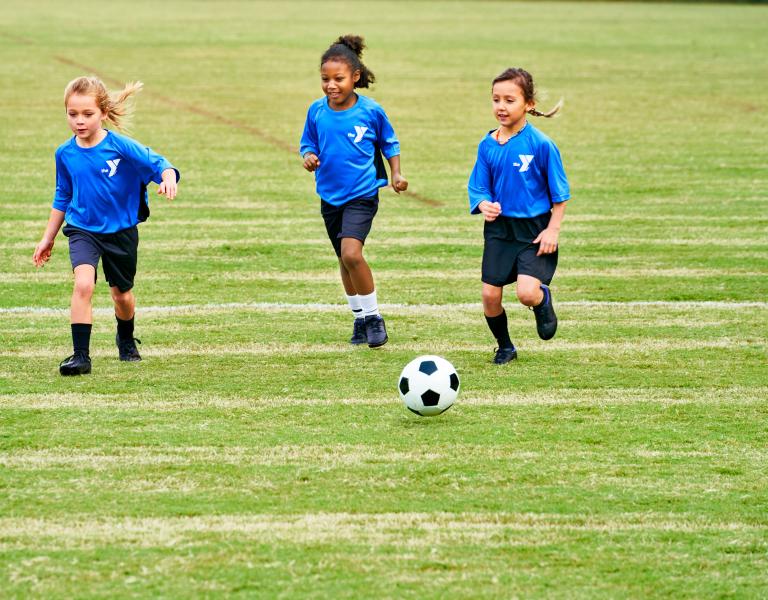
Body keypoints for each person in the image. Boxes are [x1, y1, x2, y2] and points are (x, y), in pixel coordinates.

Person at [33, 76, 180, 375]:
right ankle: (80, 356)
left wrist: (168, 179)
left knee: (121, 295)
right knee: (83, 284)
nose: (79, 121)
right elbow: (63, 194)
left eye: (87, 114)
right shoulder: (65, 153)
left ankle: (125, 338)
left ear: (102, 112)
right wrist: (47, 238)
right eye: (72, 114)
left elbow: (159, 163)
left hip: (120, 231)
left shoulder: (120, 146)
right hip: (82, 229)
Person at [300, 34, 407, 348]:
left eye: (339, 79)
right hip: (329, 196)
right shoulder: (317, 111)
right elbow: (308, 143)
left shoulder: (370, 112)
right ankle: (359, 320)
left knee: (352, 254)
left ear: (355, 77)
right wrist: (308, 157)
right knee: (344, 260)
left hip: (362, 193)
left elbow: (390, 143)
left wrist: (397, 172)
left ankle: (374, 318)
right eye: (325, 79)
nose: (331, 85)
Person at [468, 68, 570, 364]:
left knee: (526, 293)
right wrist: (483, 204)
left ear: (528, 104)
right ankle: (505, 347)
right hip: (500, 230)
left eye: (509, 100)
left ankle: (542, 301)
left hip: (534, 230)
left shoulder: (540, 144)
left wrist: (553, 230)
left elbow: (560, 195)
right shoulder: (487, 145)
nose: (501, 106)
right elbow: (478, 186)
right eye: (496, 99)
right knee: (490, 297)